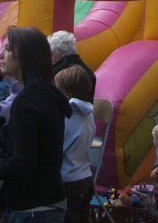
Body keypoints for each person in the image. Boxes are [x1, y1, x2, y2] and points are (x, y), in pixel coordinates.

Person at [0, 26, 72, 223]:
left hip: (32, 208)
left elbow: (23, 165)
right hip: (50, 200)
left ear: (25, 56)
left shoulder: (25, 102)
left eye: (8, 49)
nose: (0, 54)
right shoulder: (48, 93)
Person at [54, 66, 96, 223]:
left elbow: (57, 146)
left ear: (65, 92)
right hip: (85, 176)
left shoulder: (66, 116)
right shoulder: (89, 115)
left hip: (68, 180)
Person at [48, 31, 96, 104]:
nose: (49, 59)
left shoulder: (54, 73)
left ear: (59, 53)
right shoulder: (88, 72)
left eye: (51, 54)